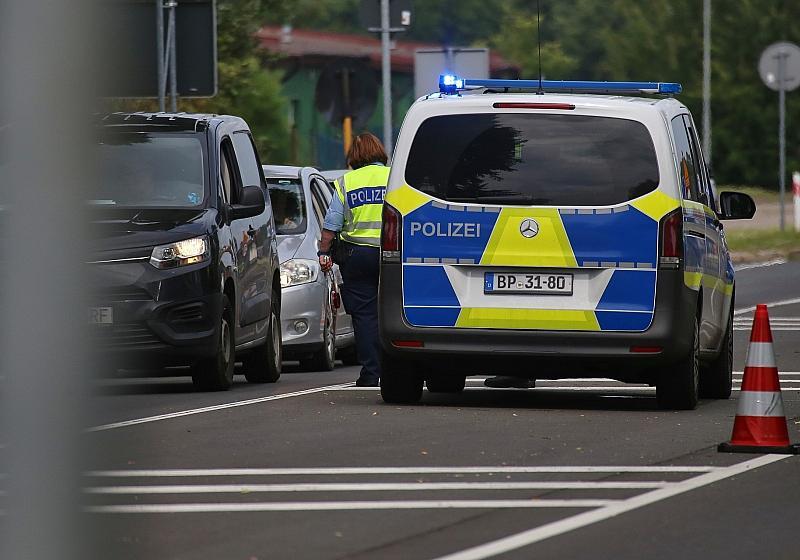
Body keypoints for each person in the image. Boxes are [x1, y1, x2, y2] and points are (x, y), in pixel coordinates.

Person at [318, 133, 389, 387]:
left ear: (355, 156)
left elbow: (331, 226)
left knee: (365, 316)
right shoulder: (393, 177)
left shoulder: (346, 182)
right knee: (394, 311)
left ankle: (371, 373)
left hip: (358, 256)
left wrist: (324, 253)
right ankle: (396, 370)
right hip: (392, 255)